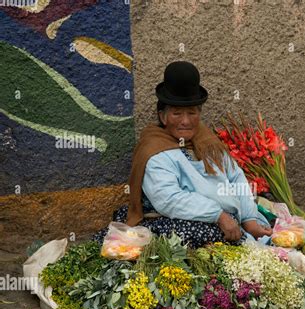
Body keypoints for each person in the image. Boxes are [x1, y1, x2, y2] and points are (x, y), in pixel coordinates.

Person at [92, 61, 272, 248]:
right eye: (177, 114)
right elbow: (169, 199)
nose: (185, 121)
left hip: (230, 217)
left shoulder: (207, 141)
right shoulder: (154, 149)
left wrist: (249, 218)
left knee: (266, 229)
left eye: (192, 113)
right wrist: (218, 215)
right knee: (193, 237)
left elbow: (235, 177)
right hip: (188, 218)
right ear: (163, 117)